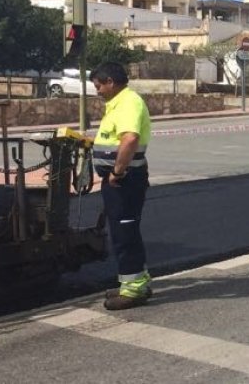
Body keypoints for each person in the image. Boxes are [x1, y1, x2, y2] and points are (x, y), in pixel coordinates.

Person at [89, 61, 153, 311]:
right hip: (121, 180)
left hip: (125, 180)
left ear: (110, 82)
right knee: (123, 231)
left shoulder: (128, 103)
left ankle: (133, 290)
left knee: (125, 234)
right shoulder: (118, 104)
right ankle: (136, 280)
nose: (97, 91)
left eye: (98, 86)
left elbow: (130, 139)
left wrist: (117, 172)